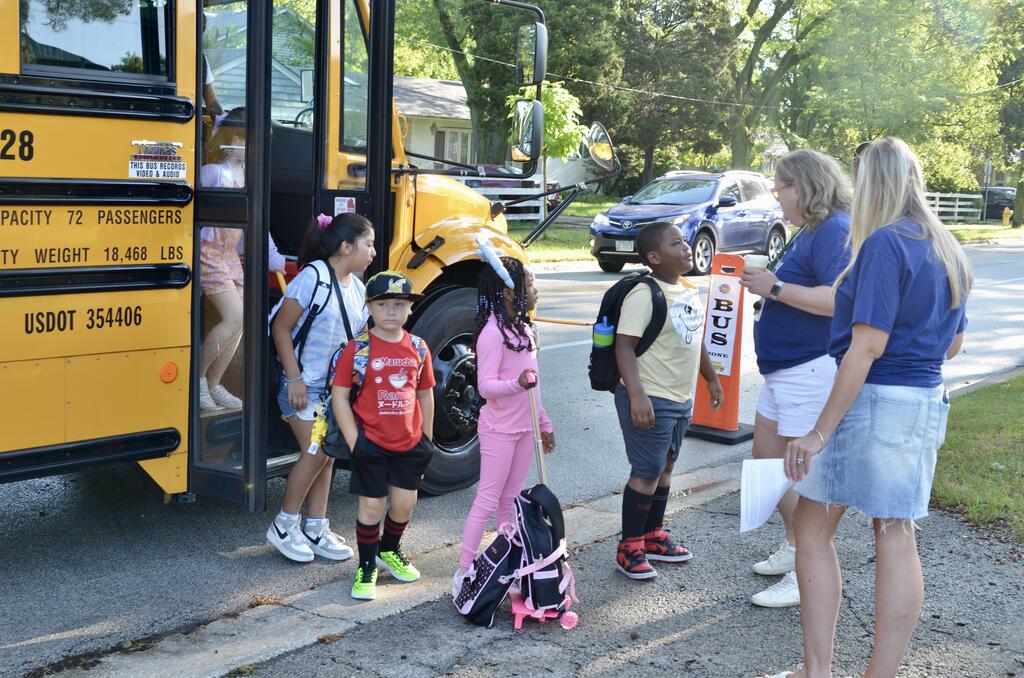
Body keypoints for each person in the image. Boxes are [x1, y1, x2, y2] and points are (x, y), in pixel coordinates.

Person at [767, 137, 971, 678]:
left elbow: (866, 347)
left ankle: (817, 671)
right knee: (895, 533)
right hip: (924, 400)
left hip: (877, 398)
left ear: (873, 182)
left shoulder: (884, 242)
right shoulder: (947, 245)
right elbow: (953, 345)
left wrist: (817, 432)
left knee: (812, 527)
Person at [738, 150, 852, 608]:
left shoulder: (835, 229)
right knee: (768, 458)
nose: (776, 196)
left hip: (809, 368)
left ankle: (807, 567)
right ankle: (795, 547)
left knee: (802, 474)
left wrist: (776, 288)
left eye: (779, 187)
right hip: (786, 370)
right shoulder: (812, 228)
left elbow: (839, 299)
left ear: (802, 186)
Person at [614, 221, 724, 580]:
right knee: (646, 472)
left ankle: (652, 535)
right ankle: (629, 547)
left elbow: (695, 339)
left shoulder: (688, 290)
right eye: (676, 243)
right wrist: (636, 394)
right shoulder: (644, 294)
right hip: (651, 396)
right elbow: (624, 346)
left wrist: (711, 379)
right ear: (654, 257)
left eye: (685, 240)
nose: (686, 246)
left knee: (665, 467)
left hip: (679, 398)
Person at [265, 213, 375, 563]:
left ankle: (315, 527)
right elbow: (281, 328)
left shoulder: (357, 288)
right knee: (316, 452)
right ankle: (284, 525)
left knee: (327, 455)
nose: (373, 252)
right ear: (346, 247)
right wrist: (294, 378)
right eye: (368, 244)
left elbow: (358, 340)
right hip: (301, 388)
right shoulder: (312, 277)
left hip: (331, 392)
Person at [453, 253, 554, 597]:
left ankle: (505, 564)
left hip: (525, 429)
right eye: (531, 284)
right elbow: (486, 387)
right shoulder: (492, 335)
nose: (536, 291)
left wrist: (543, 423)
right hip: (498, 431)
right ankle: (464, 569)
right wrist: (517, 385)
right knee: (488, 499)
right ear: (510, 292)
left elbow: (535, 385)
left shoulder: (523, 330)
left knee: (511, 499)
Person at [331, 272, 437, 601]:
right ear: (369, 308)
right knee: (371, 506)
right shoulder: (357, 349)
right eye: (382, 305)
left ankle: (388, 549)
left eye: (399, 304)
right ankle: (366, 566)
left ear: (410, 309)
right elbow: (340, 396)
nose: (391, 311)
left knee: (405, 504)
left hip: (410, 443)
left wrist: (426, 439)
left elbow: (425, 394)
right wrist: (355, 442)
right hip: (371, 443)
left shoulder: (418, 348)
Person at [197, 108, 248, 410]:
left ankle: (214, 383)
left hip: (230, 256)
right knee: (236, 317)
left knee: (241, 322)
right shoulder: (213, 172)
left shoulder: (246, 174)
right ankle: (199, 379)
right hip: (209, 254)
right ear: (235, 139)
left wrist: (273, 257)